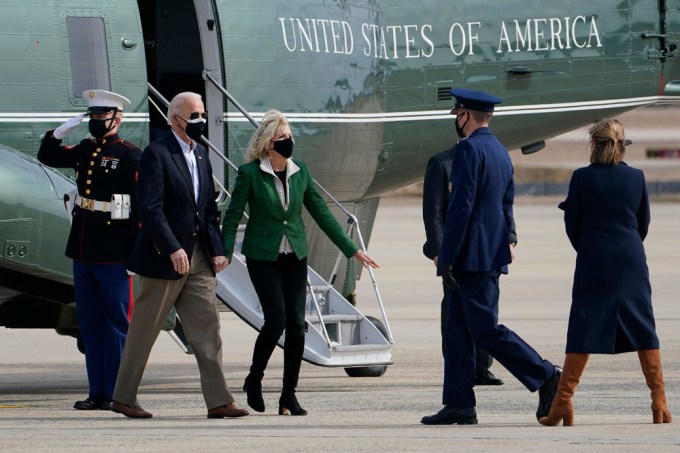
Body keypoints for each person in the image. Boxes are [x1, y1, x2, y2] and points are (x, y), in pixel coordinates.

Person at [221, 110, 379, 416]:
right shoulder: (250, 174)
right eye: (283, 137)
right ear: (269, 143)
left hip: (295, 255)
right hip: (262, 255)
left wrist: (353, 250)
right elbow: (231, 218)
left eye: (291, 136)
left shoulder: (300, 171)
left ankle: (288, 396)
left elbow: (321, 214)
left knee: (297, 325)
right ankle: (254, 379)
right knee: (276, 319)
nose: (289, 141)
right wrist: (225, 254)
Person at [421, 88, 561, 425]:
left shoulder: (469, 150)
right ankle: (459, 403)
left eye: (458, 115)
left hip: (472, 258)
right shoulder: (499, 150)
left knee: (485, 330)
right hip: (488, 253)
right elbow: (506, 204)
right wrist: (507, 240)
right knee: (456, 329)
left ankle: (546, 375)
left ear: (466, 116)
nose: (457, 120)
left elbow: (461, 208)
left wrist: (448, 256)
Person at [111, 92, 248, 419]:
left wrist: (216, 249)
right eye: (195, 115)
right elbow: (151, 208)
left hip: (198, 256)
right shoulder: (156, 154)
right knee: (145, 330)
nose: (201, 120)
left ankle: (218, 400)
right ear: (176, 120)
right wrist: (172, 247)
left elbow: (208, 209)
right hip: (163, 256)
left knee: (207, 330)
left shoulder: (201, 153)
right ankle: (123, 397)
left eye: (201, 114)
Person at [539, 119, 672, 426]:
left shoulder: (582, 178)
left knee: (584, 327)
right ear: (621, 146)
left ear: (593, 145)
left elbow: (572, 225)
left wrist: (589, 248)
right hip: (632, 259)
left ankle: (563, 403)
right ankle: (659, 402)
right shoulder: (636, 177)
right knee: (642, 326)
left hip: (594, 259)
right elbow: (643, 223)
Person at [37, 89, 142, 411]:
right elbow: (48, 157)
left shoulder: (129, 155)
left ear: (117, 118)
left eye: (102, 117)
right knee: (91, 324)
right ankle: (98, 391)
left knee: (116, 325)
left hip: (113, 253)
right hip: (83, 248)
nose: (97, 123)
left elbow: (139, 210)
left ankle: (119, 392)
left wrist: (134, 255)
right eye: (93, 118)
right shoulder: (85, 149)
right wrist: (58, 133)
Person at [423, 145, 516, 385]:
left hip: (486, 251)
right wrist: (438, 251)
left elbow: (504, 201)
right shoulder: (441, 163)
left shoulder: (493, 156)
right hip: (454, 254)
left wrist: (510, 238)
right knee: (455, 316)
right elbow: (433, 212)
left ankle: (481, 368)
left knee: (486, 314)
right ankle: (458, 372)